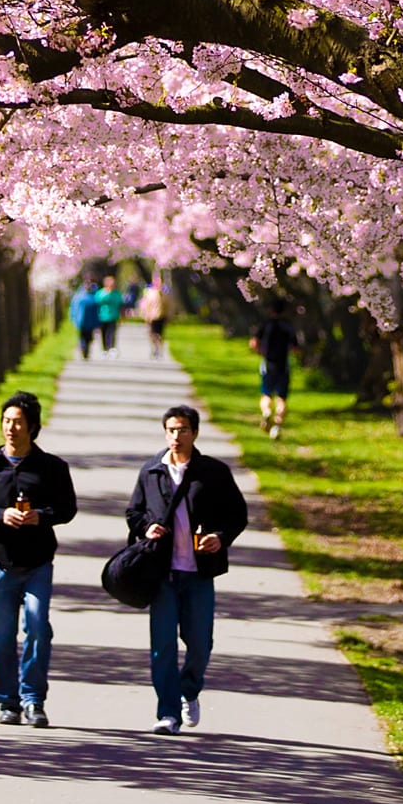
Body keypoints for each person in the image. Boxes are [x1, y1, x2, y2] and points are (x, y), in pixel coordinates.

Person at [126, 405, 249, 735]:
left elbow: (237, 514)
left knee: (200, 645)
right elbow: (133, 513)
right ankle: (167, 712)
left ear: (195, 433)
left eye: (182, 430)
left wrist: (220, 538)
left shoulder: (213, 473)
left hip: (199, 574)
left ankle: (189, 689)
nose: (176, 437)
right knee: (162, 646)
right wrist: (147, 527)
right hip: (163, 575)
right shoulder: (151, 472)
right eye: (170, 430)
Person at [0, 391, 78, 727]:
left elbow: (67, 509)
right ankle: (8, 703)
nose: (11, 428)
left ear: (32, 427)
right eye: (6, 421)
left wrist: (40, 516)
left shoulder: (52, 468)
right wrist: (1, 516)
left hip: (37, 565)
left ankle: (33, 700)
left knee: (38, 628)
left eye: (18, 422)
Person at [250, 297, 300, 440]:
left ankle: (266, 411)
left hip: (268, 364)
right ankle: (277, 427)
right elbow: (296, 348)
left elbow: (254, 343)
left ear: (271, 310)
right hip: (283, 366)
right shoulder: (288, 326)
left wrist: (259, 351)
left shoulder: (266, 324)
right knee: (282, 399)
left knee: (266, 394)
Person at [137, 277, 168, 358]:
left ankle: (160, 349)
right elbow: (144, 305)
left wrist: (168, 316)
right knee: (153, 334)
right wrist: (145, 315)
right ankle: (154, 348)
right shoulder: (149, 293)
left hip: (161, 316)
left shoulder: (165, 293)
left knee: (161, 334)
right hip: (152, 316)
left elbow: (168, 306)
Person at [95, 275, 124, 357]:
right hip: (102, 316)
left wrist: (122, 316)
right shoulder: (101, 293)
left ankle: (111, 347)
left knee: (112, 332)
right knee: (103, 333)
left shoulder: (116, 293)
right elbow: (96, 302)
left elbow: (120, 305)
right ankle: (104, 349)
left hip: (113, 316)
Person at [69, 281, 100, 359]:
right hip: (86, 322)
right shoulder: (91, 298)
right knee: (86, 337)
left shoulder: (79, 297)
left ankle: (84, 350)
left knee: (85, 337)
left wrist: (73, 318)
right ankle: (85, 350)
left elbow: (73, 309)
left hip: (84, 322)